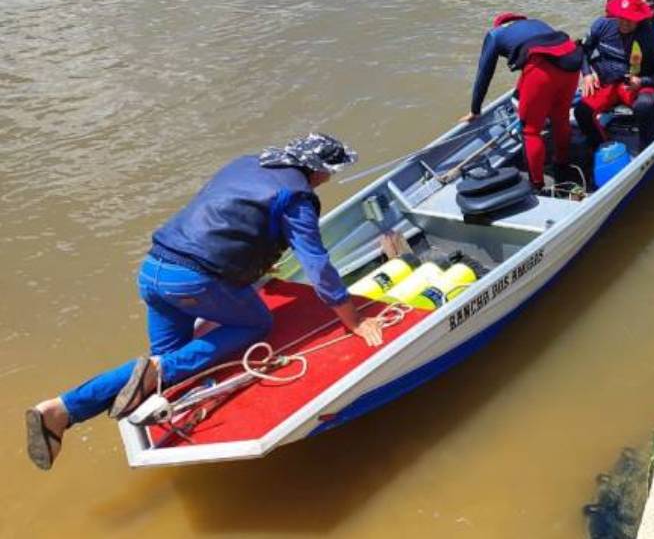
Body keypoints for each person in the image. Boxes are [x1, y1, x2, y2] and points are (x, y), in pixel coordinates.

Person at [25, 134, 385, 470]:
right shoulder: (297, 197)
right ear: (319, 170)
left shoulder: (248, 163)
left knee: (168, 365)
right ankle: (152, 375)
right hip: (193, 280)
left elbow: (223, 218)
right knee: (256, 324)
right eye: (331, 172)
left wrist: (255, 255)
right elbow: (317, 265)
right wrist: (353, 320)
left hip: (154, 270)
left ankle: (61, 410)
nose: (329, 179)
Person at [462, 13, 583, 190]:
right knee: (561, 118)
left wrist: (475, 109)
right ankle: (562, 164)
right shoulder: (536, 23)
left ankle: (537, 184)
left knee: (531, 131)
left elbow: (484, 73)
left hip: (542, 69)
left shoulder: (495, 35)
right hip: (572, 61)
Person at [574, 0, 654, 159]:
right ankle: (601, 145)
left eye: (630, 19)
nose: (624, 23)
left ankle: (646, 149)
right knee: (581, 111)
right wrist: (588, 74)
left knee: (645, 105)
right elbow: (582, 51)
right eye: (621, 18)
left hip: (638, 84)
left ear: (639, 18)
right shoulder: (601, 26)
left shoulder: (652, 37)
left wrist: (642, 81)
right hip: (608, 82)